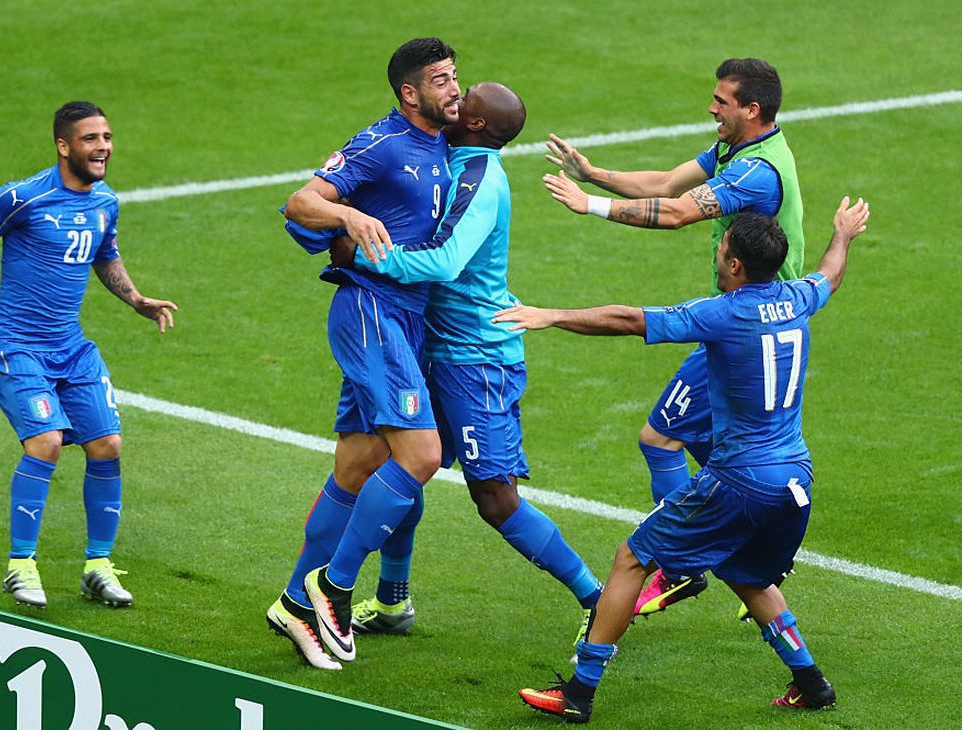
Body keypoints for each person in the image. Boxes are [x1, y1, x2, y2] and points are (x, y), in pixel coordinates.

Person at [497, 198, 869, 723]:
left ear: (735, 264)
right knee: (745, 574)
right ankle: (812, 682)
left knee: (631, 557)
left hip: (739, 480)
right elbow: (830, 274)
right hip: (795, 480)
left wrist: (551, 315)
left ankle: (578, 694)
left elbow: (629, 319)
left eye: (721, 249)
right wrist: (843, 234)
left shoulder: (725, 313)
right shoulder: (798, 298)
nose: (717, 256)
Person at [335, 82, 603, 656]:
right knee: (404, 465)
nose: (455, 98)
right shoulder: (446, 157)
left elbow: (448, 262)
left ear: (478, 124)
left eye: (467, 100)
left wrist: (363, 253)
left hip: (477, 360)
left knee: (495, 498)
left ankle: (598, 601)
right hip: (433, 347)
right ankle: (392, 599)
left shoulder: (481, 178)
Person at [542, 58, 804, 616]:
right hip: (759, 322)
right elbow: (664, 182)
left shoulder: (759, 172)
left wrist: (589, 205)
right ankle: (748, 544)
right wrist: (596, 174)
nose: (712, 107)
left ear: (751, 109)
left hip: (746, 329)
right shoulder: (736, 152)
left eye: (722, 100)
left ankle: (680, 566)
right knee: (721, 453)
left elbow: (679, 211)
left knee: (659, 438)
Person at [265, 37, 461, 670]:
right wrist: (347, 220)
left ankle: (293, 599)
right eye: (439, 80)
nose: (453, 87)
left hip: (406, 318)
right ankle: (327, 592)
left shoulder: (441, 144)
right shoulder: (382, 142)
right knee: (421, 453)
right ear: (409, 93)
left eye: (455, 76)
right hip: (371, 309)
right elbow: (300, 203)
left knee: (357, 464)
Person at [0, 101, 178, 609]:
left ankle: (97, 566)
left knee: (108, 445)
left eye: (108, 137)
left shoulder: (105, 202)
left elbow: (105, 253)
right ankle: (20, 565)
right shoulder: (22, 198)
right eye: (91, 139)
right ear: (64, 145)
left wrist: (136, 300)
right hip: (17, 345)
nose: (103, 148)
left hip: (71, 349)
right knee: (47, 442)